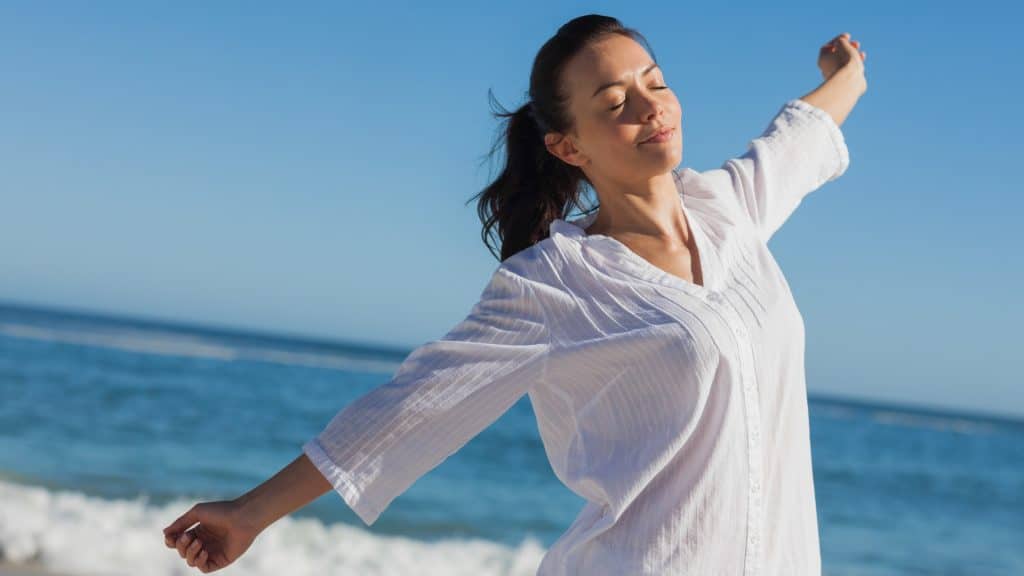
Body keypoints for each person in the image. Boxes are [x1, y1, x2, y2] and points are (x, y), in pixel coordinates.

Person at [162, 14, 867, 575]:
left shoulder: (729, 209)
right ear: (568, 146)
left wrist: (846, 74)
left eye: (655, 82)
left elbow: (800, 135)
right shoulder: (555, 282)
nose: (650, 107)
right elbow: (412, 407)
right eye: (616, 102)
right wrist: (251, 512)